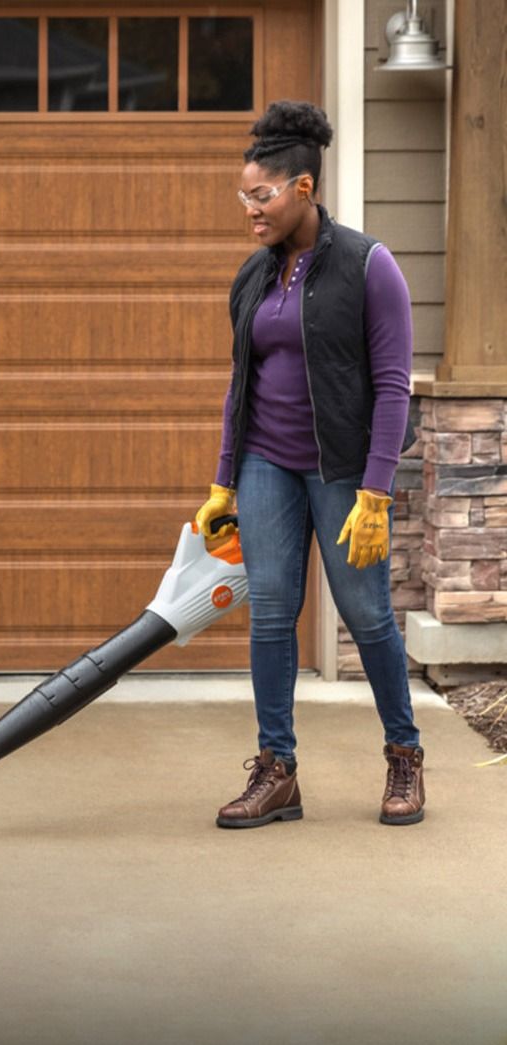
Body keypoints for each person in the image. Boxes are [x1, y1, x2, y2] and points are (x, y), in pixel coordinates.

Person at [195, 100, 425, 830]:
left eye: (260, 196)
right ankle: (277, 771)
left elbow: (394, 384)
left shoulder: (368, 265)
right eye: (243, 197)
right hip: (268, 465)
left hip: (343, 473)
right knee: (270, 615)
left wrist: (377, 491)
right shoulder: (253, 277)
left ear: (302, 188)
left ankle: (404, 755)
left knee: (367, 615)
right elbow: (243, 383)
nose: (249, 211)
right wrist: (224, 478)